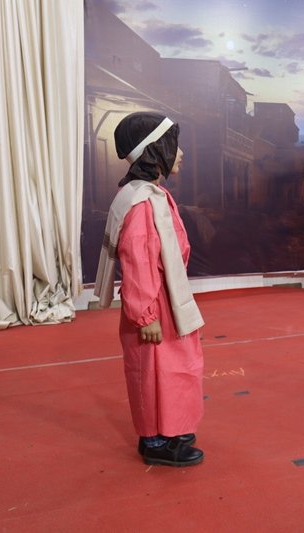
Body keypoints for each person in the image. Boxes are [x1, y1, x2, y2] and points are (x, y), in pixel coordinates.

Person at [94, 112, 206, 467]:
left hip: (165, 298)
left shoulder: (149, 195)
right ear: (154, 150)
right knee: (154, 371)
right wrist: (146, 316)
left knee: (173, 367)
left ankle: (171, 429)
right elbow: (138, 260)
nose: (181, 153)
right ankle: (156, 441)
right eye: (175, 145)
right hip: (153, 304)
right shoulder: (142, 203)